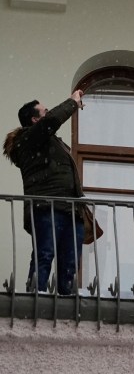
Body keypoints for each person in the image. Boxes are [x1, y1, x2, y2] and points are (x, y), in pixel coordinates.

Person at [4, 91, 86, 294]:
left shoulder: (49, 141)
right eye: (44, 112)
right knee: (45, 254)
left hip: (69, 208)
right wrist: (72, 103)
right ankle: (36, 297)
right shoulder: (29, 138)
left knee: (70, 260)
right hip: (46, 206)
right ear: (34, 119)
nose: (48, 114)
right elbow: (51, 121)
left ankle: (65, 301)